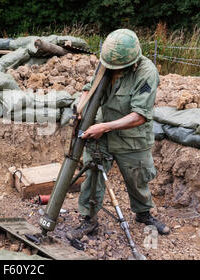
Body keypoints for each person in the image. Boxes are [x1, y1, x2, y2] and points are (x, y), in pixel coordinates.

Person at [66, 29, 170, 241]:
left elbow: (139, 116)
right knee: (93, 176)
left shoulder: (146, 73)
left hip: (131, 135)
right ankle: (89, 219)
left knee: (137, 177)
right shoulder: (108, 62)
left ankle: (143, 214)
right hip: (101, 134)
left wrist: (104, 127)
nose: (113, 70)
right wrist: (81, 105)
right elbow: (90, 88)